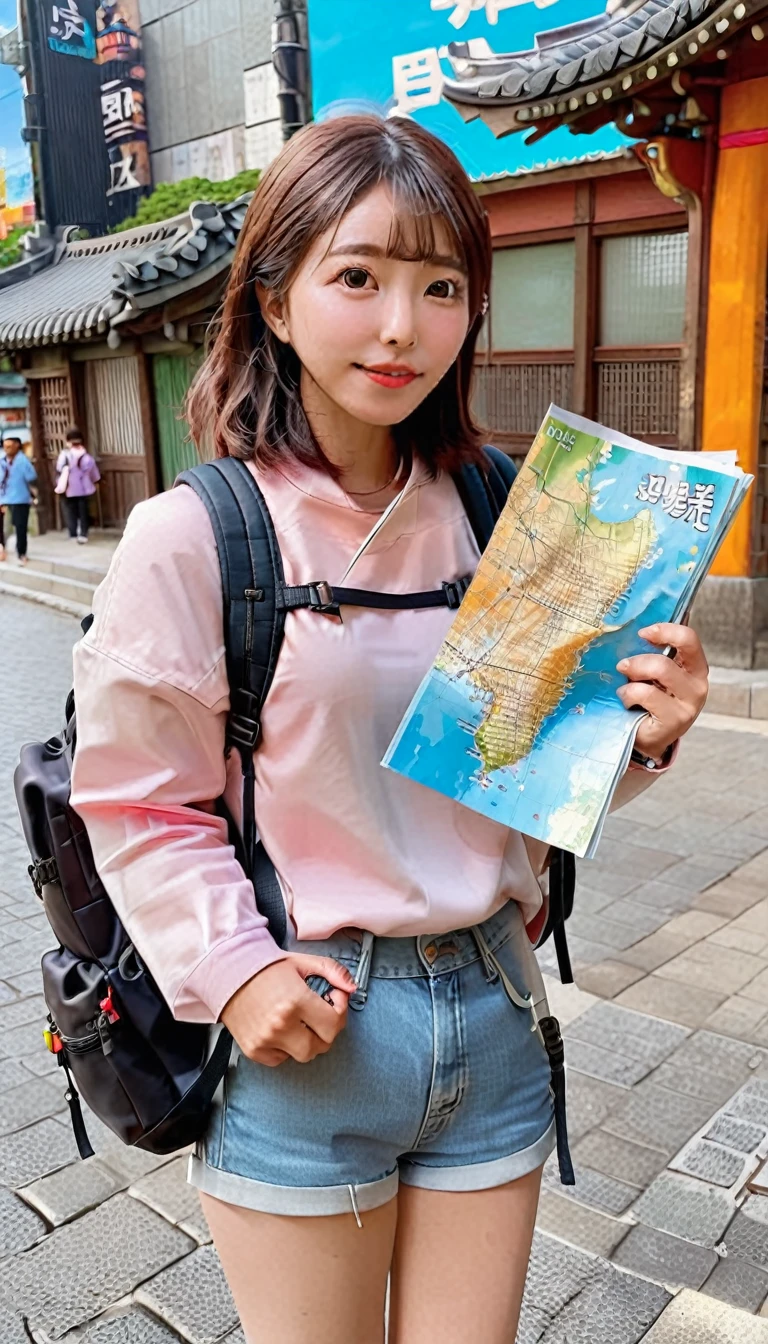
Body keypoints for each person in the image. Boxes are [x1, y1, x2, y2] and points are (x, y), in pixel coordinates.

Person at [70, 116, 709, 1344]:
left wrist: (643, 735)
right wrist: (237, 972)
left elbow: (524, 766)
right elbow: (139, 804)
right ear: (273, 296)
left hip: (495, 1005)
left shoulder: (506, 507)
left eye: (441, 285)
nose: (402, 326)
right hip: (311, 1024)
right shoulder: (196, 535)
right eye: (357, 277)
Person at [55, 427, 100, 543]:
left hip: (69, 488)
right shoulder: (87, 456)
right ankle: (84, 534)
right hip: (85, 488)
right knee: (83, 511)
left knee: (70, 511)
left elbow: (59, 468)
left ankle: (73, 533)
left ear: (68, 441)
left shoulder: (65, 455)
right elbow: (94, 474)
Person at [0, 436, 37, 566]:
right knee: (3, 527)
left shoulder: (23, 461)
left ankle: (21, 552)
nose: (7, 449)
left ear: (17, 445)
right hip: (3, 498)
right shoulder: (2, 461)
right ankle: (2, 549)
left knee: (20, 527)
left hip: (20, 498)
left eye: (9, 446)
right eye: (5, 447)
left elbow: (32, 476)